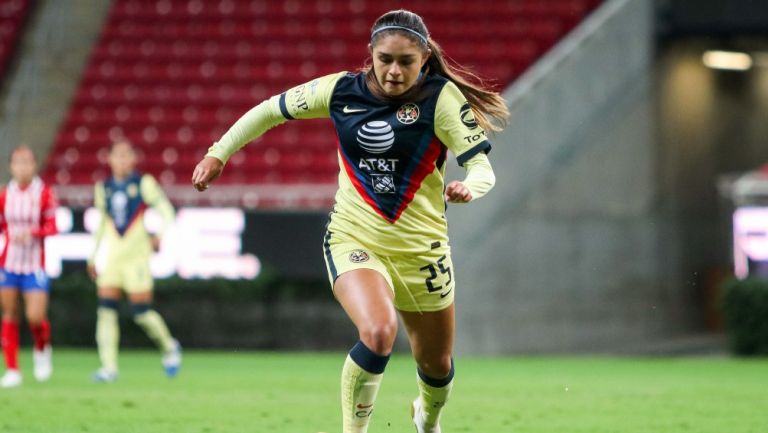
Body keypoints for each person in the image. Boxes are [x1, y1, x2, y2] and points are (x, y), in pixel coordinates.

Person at [192, 9, 508, 433]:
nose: (394, 71)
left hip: (422, 253)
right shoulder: (340, 90)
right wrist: (219, 151)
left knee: (436, 368)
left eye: (406, 62)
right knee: (378, 332)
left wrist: (471, 185)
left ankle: (427, 420)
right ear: (371, 56)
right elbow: (271, 110)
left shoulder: (442, 99)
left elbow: (483, 167)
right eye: (385, 59)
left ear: (424, 60)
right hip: (355, 238)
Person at [88, 141, 181, 382]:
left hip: (136, 259)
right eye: (117, 156)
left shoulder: (143, 183)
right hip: (113, 260)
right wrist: (93, 254)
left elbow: (167, 211)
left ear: (132, 159)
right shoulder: (103, 187)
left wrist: (159, 235)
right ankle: (109, 367)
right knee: (106, 312)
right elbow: (101, 224)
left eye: (125, 155)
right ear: (109, 159)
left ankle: (170, 347)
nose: (121, 160)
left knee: (141, 313)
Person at [0, 145, 58, 388]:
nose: (22, 167)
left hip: (35, 264)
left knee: (35, 316)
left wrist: (33, 233)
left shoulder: (44, 193)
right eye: (18, 162)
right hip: (9, 263)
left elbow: (53, 226)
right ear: (11, 166)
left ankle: (42, 348)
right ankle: (13, 369)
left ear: (34, 166)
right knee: (9, 313)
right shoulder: (4, 195)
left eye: (26, 162)